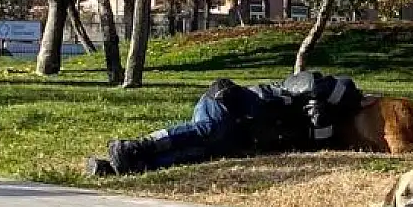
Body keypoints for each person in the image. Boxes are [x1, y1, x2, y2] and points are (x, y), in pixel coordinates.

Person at [87, 71, 363, 177]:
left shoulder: (313, 130)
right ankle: (135, 146)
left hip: (238, 137)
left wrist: (320, 127)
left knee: (199, 154)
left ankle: (116, 168)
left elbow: (317, 143)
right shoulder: (297, 90)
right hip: (225, 106)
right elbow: (312, 86)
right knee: (209, 130)